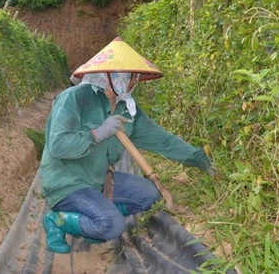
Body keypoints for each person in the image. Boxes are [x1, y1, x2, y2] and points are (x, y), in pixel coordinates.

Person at [39, 37, 214, 254]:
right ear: (111, 75)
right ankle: (57, 220)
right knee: (112, 225)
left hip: (100, 179)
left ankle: (90, 222)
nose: (134, 82)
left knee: (149, 196)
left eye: (137, 77)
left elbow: (162, 139)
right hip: (67, 182)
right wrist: (97, 133)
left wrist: (198, 158)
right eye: (130, 76)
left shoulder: (127, 108)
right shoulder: (74, 98)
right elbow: (58, 145)